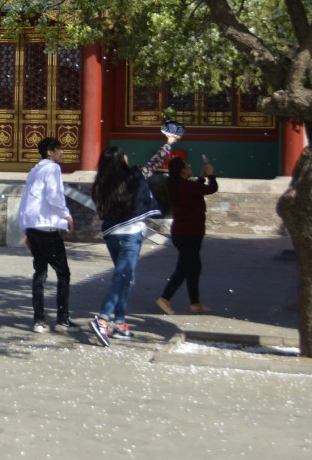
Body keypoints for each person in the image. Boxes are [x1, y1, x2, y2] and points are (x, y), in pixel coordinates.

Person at [88, 133, 179, 346]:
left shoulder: (101, 184)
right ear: (121, 160)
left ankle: (120, 324)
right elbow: (154, 163)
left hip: (112, 235)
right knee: (121, 278)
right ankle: (103, 319)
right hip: (130, 235)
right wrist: (168, 144)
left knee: (126, 279)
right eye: (125, 156)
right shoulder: (134, 176)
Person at [18, 137, 74, 334]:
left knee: (40, 274)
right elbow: (54, 196)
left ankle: (39, 320)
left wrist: (26, 229)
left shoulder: (34, 171)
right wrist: (66, 215)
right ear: (50, 152)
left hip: (33, 227)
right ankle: (62, 320)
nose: (62, 153)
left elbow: (27, 200)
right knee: (63, 273)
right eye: (59, 149)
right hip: (47, 229)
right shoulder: (52, 168)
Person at [157, 155, 219, 315]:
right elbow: (211, 188)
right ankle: (165, 298)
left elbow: (194, 189)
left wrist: (201, 177)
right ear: (182, 171)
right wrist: (211, 175)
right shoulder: (186, 187)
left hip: (183, 232)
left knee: (194, 267)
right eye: (187, 166)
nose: (190, 167)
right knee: (183, 269)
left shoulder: (176, 184)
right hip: (189, 233)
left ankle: (195, 302)